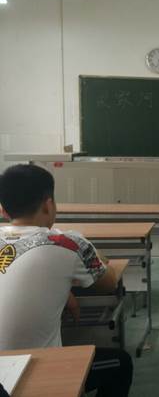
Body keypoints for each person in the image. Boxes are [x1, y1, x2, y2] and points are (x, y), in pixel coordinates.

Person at [0, 164, 133, 397]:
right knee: (120, 364)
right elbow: (108, 281)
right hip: (26, 373)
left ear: (3, 210)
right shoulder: (67, 243)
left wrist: (64, 290)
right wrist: (89, 251)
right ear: (48, 204)